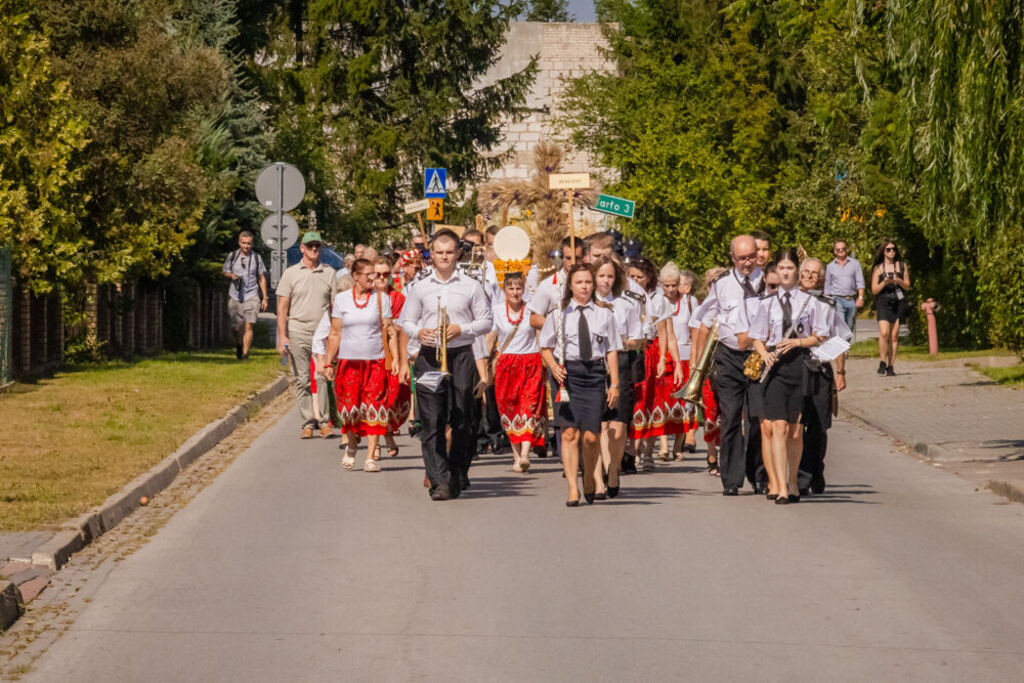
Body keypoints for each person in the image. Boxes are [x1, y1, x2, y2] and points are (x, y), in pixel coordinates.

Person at [398, 229, 493, 501]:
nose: (444, 257)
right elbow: (407, 321)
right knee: (431, 420)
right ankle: (439, 479)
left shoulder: (471, 285)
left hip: (461, 354)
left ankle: (458, 469)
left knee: (462, 417)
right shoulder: (421, 286)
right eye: (439, 252)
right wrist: (419, 333)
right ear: (432, 253)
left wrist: (461, 328)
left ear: (457, 253)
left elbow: (486, 321)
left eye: (449, 252)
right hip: (429, 356)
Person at [749, 248, 830, 504]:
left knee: (795, 430)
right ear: (776, 272)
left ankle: (793, 482)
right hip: (774, 370)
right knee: (778, 426)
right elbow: (757, 338)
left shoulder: (810, 302)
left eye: (790, 268)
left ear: (797, 271)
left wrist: (798, 343)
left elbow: (821, 335)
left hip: (798, 366)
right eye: (781, 268)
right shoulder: (766, 304)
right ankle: (780, 485)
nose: (785, 272)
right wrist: (764, 353)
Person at [540, 264, 621, 506]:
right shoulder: (559, 313)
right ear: (570, 286)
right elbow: (545, 346)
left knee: (591, 437)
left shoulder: (604, 313)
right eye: (579, 282)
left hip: (594, 375)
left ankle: (589, 474)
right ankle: (573, 488)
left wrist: (614, 383)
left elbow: (612, 350)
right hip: (566, 375)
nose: (584, 286)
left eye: (588, 282)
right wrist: (553, 366)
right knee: (569, 433)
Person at [692, 235, 761, 495]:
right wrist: (698, 364)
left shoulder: (766, 280)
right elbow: (706, 321)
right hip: (729, 355)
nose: (747, 263)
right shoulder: (721, 284)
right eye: (742, 258)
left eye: (751, 257)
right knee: (730, 416)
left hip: (757, 355)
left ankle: (759, 475)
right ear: (732, 258)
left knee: (755, 418)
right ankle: (731, 478)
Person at [322, 259, 399, 471]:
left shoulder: (381, 299)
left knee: (375, 406)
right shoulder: (342, 300)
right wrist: (329, 361)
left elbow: (390, 332)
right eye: (368, 275)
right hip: (349, 363)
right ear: (355, 276)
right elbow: (335, 333)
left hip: (375, 361)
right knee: (348, 409)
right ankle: (352, 445)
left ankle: (371, 456)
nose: (373, 279)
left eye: (375, 274)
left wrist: (395, 361)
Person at [797, 257, 851, 495]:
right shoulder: (789, 301)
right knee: (797, 425)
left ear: (821, 277)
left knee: (819, 426)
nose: (810, 276)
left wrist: (840, 372)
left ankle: (815, 470)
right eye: (806, 272)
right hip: (796, 368)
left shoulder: (827, 303)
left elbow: (842, 338)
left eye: (815, 273)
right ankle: (799, 475)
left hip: (820, 368)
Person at [276, 231, 336, 439]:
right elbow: (282, 307)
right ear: (302, 248)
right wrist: (282, 336)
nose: (313, 250)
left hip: (322, 332)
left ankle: (324, 420)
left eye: (317, 246)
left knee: (321, 375)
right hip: (298, 329)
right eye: (309, 246)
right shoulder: (291, 273)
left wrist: (336, 334)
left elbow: (335, 306)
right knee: (302, 379)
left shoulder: (329, 273)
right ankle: (308, 421)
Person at [629, 257, 684, 470]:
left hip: (652, 351)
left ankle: (649, 451)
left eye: (639, 277)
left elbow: (667, 334)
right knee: (636, 401)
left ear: (649, 278)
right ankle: (632, 450)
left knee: (652, 401)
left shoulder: (657, 299)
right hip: (632, 349)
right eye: (631, 276)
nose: (635, 280)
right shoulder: (625, 296)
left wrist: (667, 360)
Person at [594, 256, 643, 498]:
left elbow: (638, 338)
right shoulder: (587, 303)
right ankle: (602, 473)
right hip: (595, 364)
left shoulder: (627, 304)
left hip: (622, 363)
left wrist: (620, 342)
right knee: (601, 422)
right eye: (601, 275)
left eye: (610, 276)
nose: (605, 280)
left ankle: (614, 467)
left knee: (619, 424)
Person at [491, 272, 546, 472]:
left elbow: (543, 332)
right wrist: (485, 365)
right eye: (511, 288)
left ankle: (525, 454)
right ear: (504, 290)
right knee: (509, 409)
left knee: (529, 408)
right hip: (506, 363)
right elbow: (490, 338)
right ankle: (516, 456)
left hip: (530, 362)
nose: (515, 292)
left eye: (519, 288)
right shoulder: (496, 311)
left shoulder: (531, 310)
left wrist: (546, 357)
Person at [663, 266, 701, 458]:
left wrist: (695, 357)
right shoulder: (660, 301)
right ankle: (663, 444)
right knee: (665, 401)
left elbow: (696, 331)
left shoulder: (690, 302)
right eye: (669, 284)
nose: (674, 288)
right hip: (667, 356)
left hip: (686, 355)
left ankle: (683, 440)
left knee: (686, 401)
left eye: (677, 284)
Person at [373, 256, 409, 458]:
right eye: (377, 275)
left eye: (385, 274)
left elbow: (404, 326)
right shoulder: (366, 297)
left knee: (393, 398)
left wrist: (389, 327)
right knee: (374, 399)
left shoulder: (398, 298)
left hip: (392, 353)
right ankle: (376, 443)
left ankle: (387, 432)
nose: (381, 278)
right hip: (371, 353)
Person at [222, 231, 268, 360]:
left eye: (249, 243)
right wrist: (232, 276)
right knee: (235, 328)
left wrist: (264, 297)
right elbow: (225, 271)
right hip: (235, 295)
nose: (246, 246)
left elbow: (262, 278)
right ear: (239, 243)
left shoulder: (256, 258)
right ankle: (238, 344)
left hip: (251, 295)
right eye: (244, 243)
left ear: (252, 244)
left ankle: (245, 354)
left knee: (249, 324)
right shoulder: (232, 256)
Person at [871, 239, 910, 376]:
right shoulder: (878, 269)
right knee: (884, 333)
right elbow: (874, 290)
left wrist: (898, 280)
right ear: (883, 252)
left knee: (894, 336)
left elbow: (907, 286)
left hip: (898, 303)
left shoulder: (901, 266)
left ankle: (891, 366)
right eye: (888, 249)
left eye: (893, 249)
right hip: (883, 302)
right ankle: (882, 361)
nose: (892, 251)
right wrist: (885, 282)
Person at [824, 239, 865, 339]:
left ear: (847, 250)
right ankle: (841, 351)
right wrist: (827, 302)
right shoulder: (830, 266)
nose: (841, 251)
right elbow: (827, 286)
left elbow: (860, 282)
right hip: (837, 299)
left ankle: (845, 349)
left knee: (850, 326)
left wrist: (860, 298)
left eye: (843, 248)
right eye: (838, 249)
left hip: (851, 300)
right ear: (834, 251)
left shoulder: (855, 264)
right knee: (841, 326)